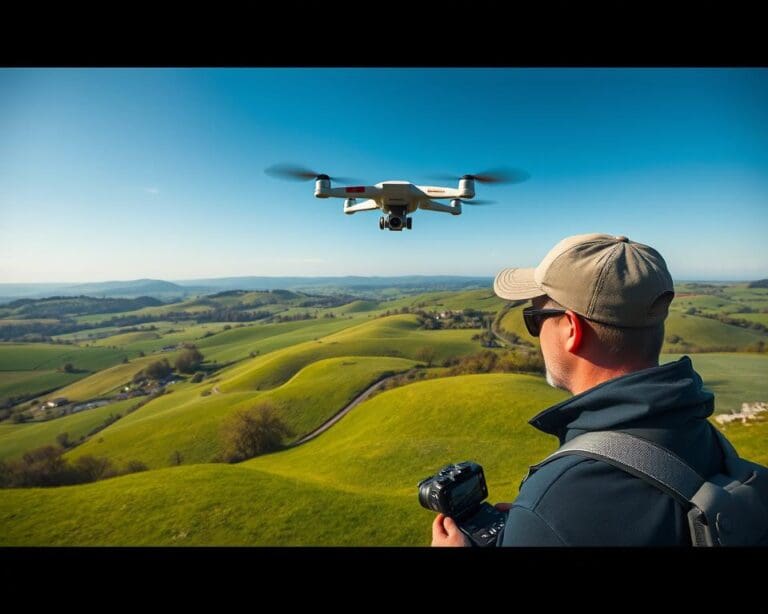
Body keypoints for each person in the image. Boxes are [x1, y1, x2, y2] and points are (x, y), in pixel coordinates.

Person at [431, 232, 740, 546]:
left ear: (571, 329)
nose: (535, 334)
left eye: (534, 318)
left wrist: (539, 524)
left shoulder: (558, 499)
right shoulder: (705, 437)